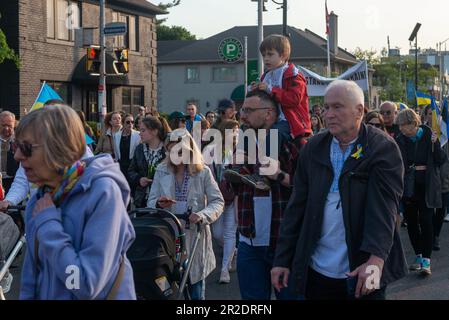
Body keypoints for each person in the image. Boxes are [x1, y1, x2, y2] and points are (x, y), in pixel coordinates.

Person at [271, 80, 407, 300]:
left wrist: (376, 260)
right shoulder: (313, 148)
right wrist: (282, 260)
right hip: (316, 271)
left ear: (359, 111)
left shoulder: (382, 148)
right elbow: (296, 208)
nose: (328, 114)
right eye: (326, 107)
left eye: (337, 107)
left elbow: (385, 210)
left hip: (361, 269)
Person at [16, 104, 136, 299]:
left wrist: (48, 226)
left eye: (26, 148)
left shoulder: (103, 193)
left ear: (57, 148)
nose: (17, 156)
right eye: (16, 146)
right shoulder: (40, 198)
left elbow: (86, 284)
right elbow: (31, 279)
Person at [226, 90, 299, 300]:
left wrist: (278, 174)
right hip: (249, 242)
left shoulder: (288, 143)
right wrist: (234, 175)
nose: (242, 115)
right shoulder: (243, 142)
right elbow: (230, 186)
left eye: (248, 110)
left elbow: (305, 189)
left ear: (268, 114)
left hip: (282, 243)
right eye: (242, 110)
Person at [147, 128, 224, 300]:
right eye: (172, 150)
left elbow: (218, 201)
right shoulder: (162, 170)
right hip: (170, 235)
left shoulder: (202, 171)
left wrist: (202, 215)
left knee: (195, 287)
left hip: (194, 234)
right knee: (169, 286)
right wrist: (158, 203)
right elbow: (150, 201)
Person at [395, 108, 446, 275]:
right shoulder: (400, 139)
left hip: (427, 185)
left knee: (426, 220)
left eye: (403, 124)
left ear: (413, 123)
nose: (401, 128)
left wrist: (435, 144)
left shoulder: (429, 135)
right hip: (408, 187)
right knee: (411, 222)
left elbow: (440, 160)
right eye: (399, 125)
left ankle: (426, 260)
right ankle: (418, 255)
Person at [250, 34, 311, 146]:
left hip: (290, 121)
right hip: (270, 119)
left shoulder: (293, 75)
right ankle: (245, 161)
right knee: (248, 132)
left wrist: (270, 90)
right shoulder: (265, 76)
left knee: (274, 134)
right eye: (263, 55)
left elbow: (294, 99)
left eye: (270, 54)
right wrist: (255, 91)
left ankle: (268, 162)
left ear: (283, 56)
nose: (266, 58)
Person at [203, 119, 240, 284]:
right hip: (217, 197)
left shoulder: (240, 151)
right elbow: (205, 172)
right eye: (234, 130)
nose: (236, 134)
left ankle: (224, 269)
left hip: (235, 196)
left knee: (230, 232)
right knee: (217, 233)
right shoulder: (211, 150)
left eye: (238, 131)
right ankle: (233, 251)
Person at [128, 116, 170, 208]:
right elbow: (131, 171)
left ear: (154, 131)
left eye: (143, 130)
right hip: (141, 200)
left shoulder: (167, 150)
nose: (140, 133)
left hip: (162, 200)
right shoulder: (139, 149)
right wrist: (139, 179)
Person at [114, 114, 141, 184]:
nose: (130, 124)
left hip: (132, 166)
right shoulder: (117, 135)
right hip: (121, 166)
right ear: (123, 123)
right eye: (128, 122)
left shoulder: (137, 135)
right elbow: (116, 151)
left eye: (132, 122)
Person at [0, 111, 19, 193]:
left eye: (9, 126)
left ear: (14, 125)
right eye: (3, 125)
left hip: (14, 182)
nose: (6, 128)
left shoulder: (19, 140)